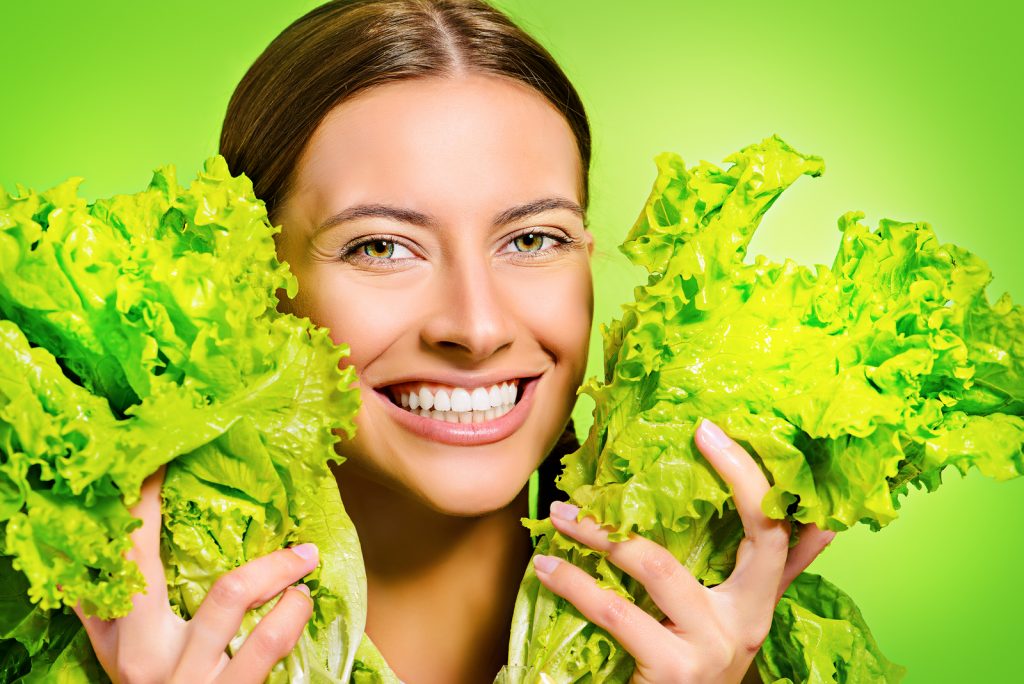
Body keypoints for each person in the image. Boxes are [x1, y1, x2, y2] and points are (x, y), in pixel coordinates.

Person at [72, 1, 836, 682]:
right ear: (251, 278)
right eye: (380, 247)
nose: (476, 328)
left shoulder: (765, 651)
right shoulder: (68, 633)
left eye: (532, 238)